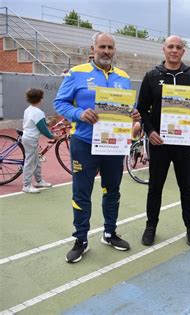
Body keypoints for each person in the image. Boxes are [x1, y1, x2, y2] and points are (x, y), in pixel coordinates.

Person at [54, 32, 140, 263]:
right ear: (93, 49)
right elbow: (59, 102)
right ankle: (80, 239)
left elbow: (128, 106)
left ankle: (109, 233)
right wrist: (79, 113)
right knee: (81, 193)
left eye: (110, 47)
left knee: (112, 190)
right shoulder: (77, 73)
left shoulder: (123, 76)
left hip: (113, 144)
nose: (106, 51)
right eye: (102, 46)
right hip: (84, 143)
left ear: (115, 50)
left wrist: (133, 113)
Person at [137, 35, 190, 247]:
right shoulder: (152, 75)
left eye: (178, 47)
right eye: (170, 46)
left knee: (186, 187)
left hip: (184, 142)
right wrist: (150, 132)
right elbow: (142, 109)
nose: (174, 50)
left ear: (183, 51)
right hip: (159, 142)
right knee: (155, 187)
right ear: (164, 49)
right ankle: (151, 226)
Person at [22, 88, 59, 193]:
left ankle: (38, 181)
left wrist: (48, 123)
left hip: (28, 137)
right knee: (30, 162)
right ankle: (26, 185)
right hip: (31, 139)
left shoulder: (28, 109)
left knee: (37, 160)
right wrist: (53, 137)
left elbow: (37, 123)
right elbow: (43, 130)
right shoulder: (39, 112)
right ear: (41, 99)